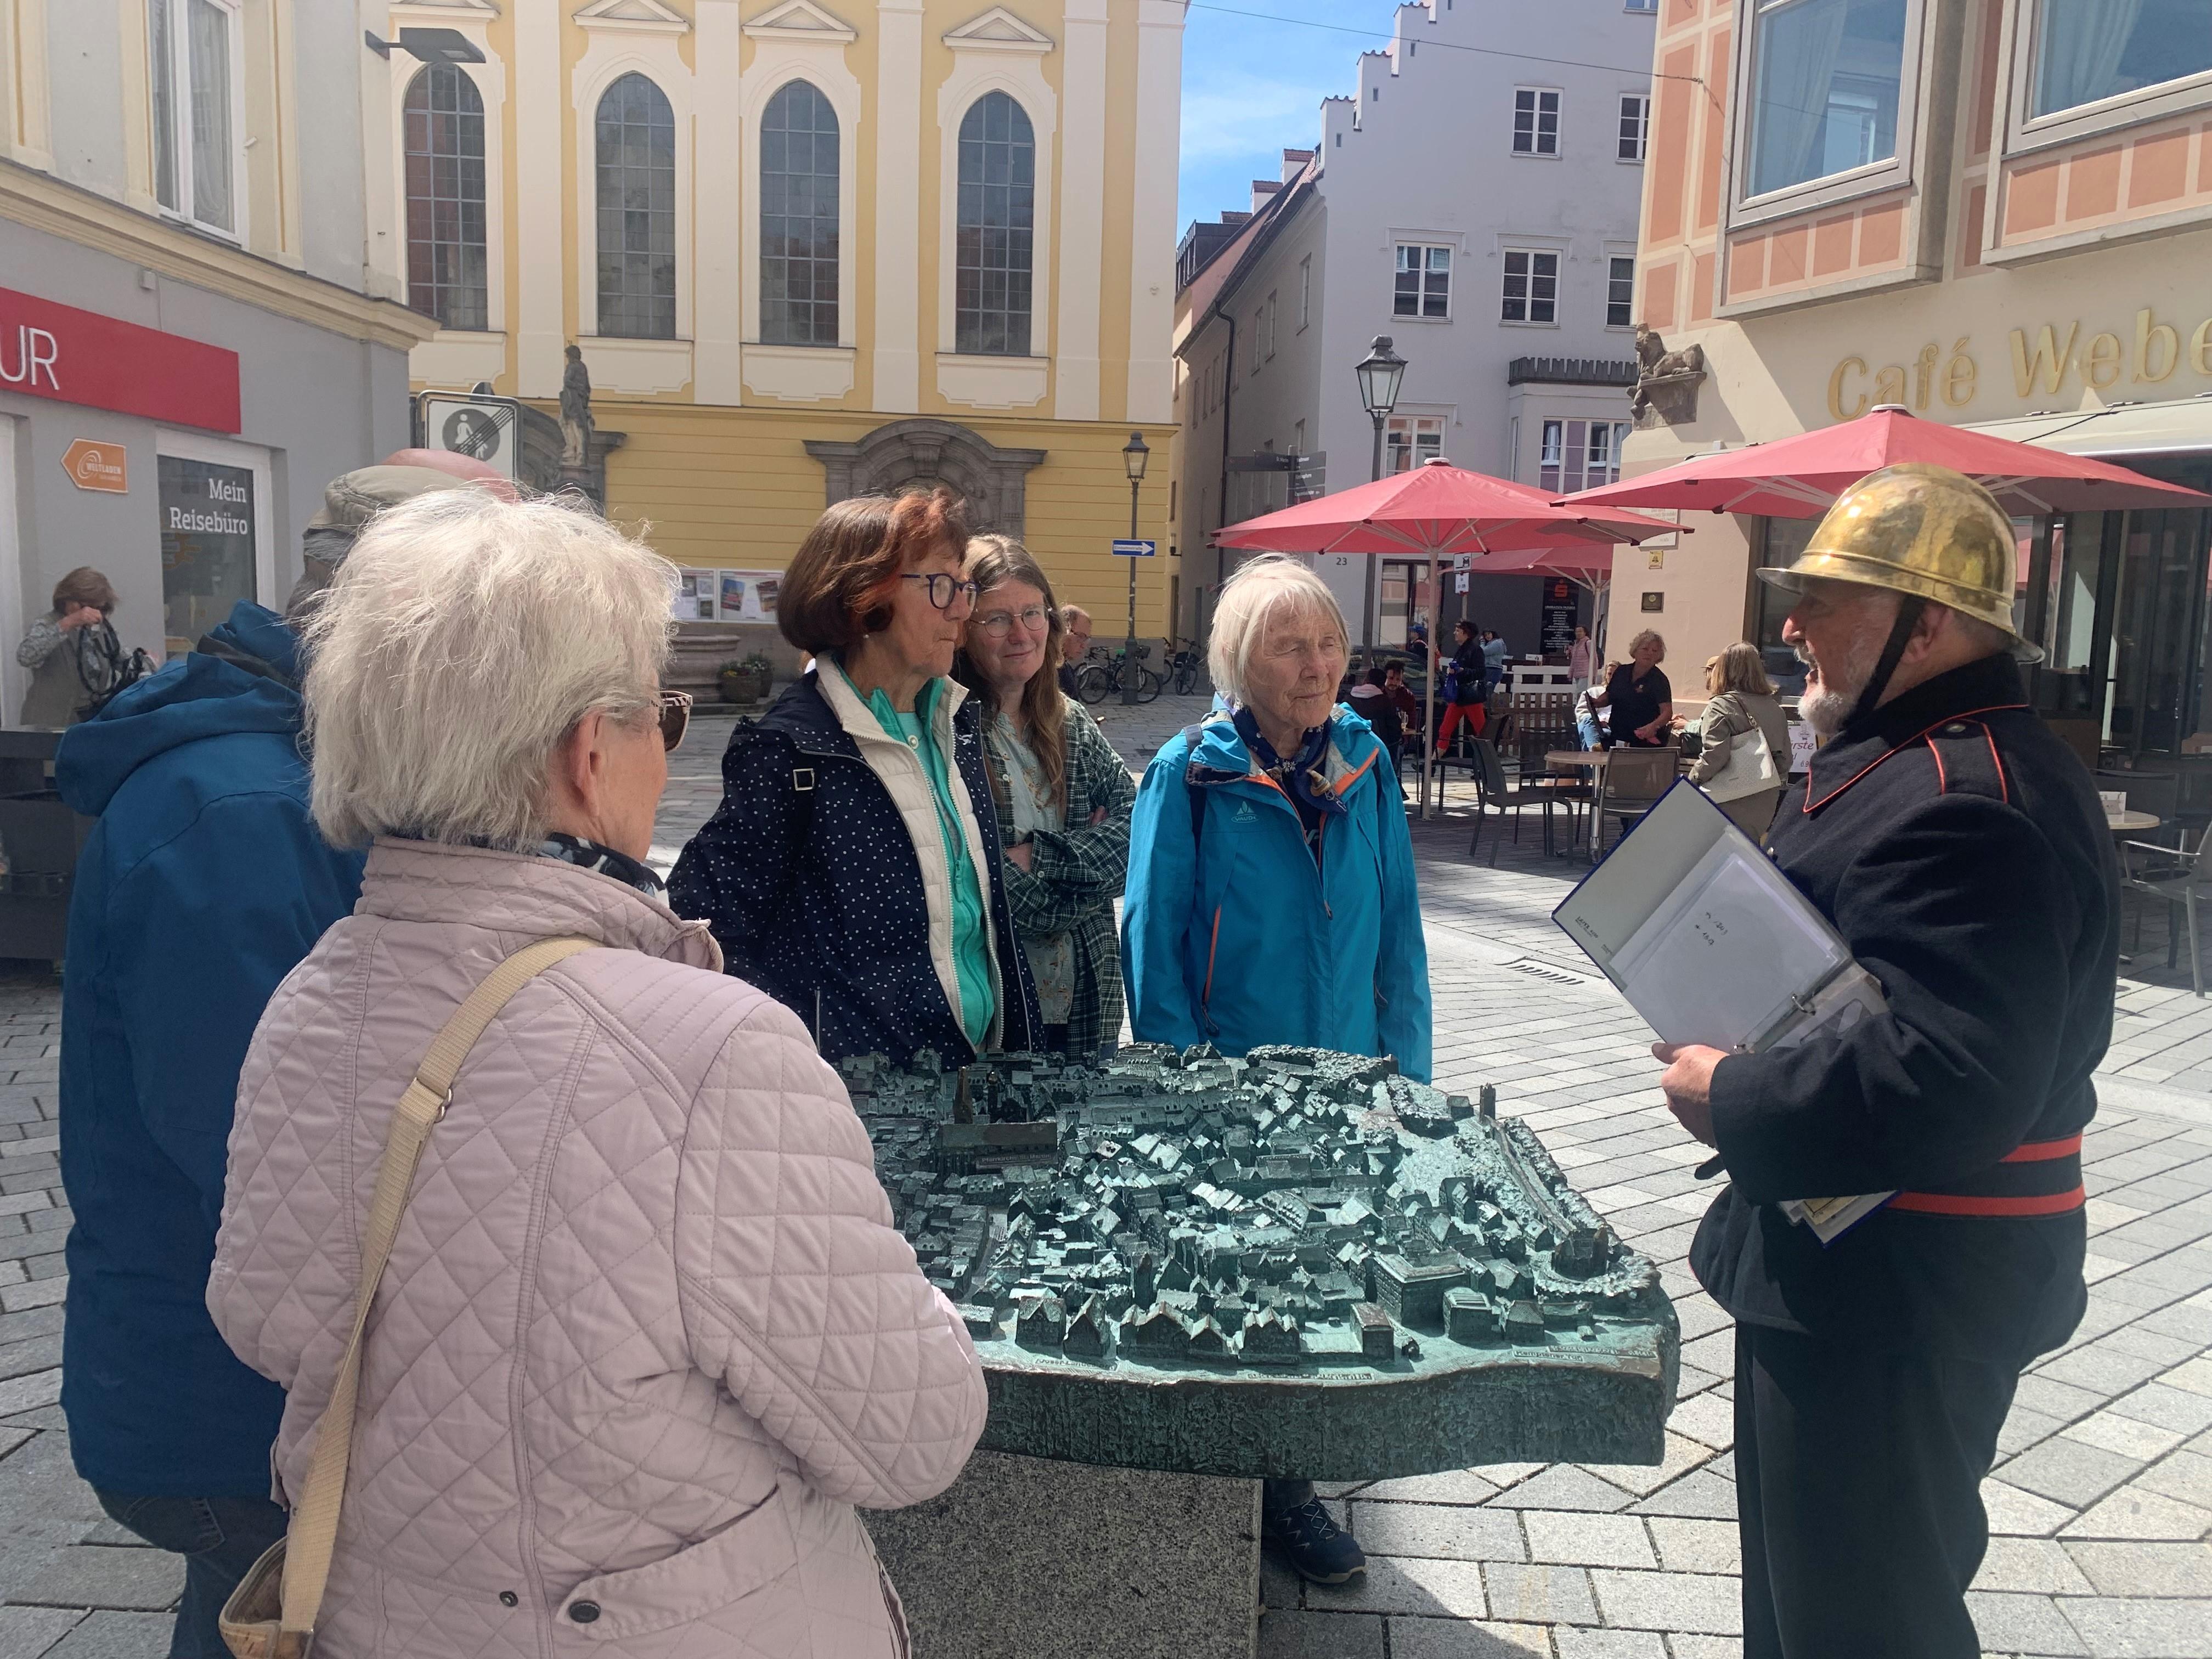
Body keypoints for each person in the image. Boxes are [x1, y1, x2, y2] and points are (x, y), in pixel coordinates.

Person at [207, 488, 985, 1658]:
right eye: (659, 717)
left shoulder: (311, 995)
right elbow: (914, 1434)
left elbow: (260, 1315)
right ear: (587, 751)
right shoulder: (709, 1050)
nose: (664, 745)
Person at [1651, 465, 2119, 1659]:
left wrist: (1733, 1094)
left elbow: (1947, 1073)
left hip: (1904, 1285)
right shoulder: (1919, 759)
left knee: (1864, 1625)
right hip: (1852, 1263)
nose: (1793, 625)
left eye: (1832, 599)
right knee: (1809, 1615)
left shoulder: (1967, 795)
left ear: (1936, 627)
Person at [53, 456, 503, 1659]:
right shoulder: (246, 815)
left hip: (257, 1396)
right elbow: (295, 1179)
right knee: (281, 1609)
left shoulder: (317, 771)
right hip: (235, 1411)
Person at [1123, 554, 1431, 1587]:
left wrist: (1409, 1073)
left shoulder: (1365, 759)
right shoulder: (1190, 771)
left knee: (1326, 1261)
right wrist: (1180, 1076)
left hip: (1345, 1066)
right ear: (1239, 660)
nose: (1316, 664)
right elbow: (1152, 937)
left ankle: (1285, 1463)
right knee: (1247, 1263)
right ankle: (1277, 1486)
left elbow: (1398, 928)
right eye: (1289, 646)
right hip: (1233, 1075)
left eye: (1327, 643)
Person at [669, 489, 1039, 1063]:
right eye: (942, 585)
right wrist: (804, 1062)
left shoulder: (956, 723)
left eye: (964, 588)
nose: (962, 610)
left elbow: (981, 921)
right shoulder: (791, 749)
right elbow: (709, 934)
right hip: (864, 1106)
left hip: (977, 1074)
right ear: (864, 598)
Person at [956, 534, 1136, 1060]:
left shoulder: (1070, 721)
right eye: (996, 619)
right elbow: (981, 883)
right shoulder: (950, 730)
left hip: (1087, 1002)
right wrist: (1085, 873)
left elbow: (1137, 830)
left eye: (1033, 613)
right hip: (995, 1006)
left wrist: (1038, 856)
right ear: (963, 630)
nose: (1021, 634)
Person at [1687, 642, 1792, 839]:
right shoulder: (1775, 708)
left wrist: (1692, 780)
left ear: (1724, 670)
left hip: (1727, 798)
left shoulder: (1721, 706)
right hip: (1764, 800)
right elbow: (1786, 758)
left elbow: (1714, 757)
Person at [19, 567, 122, 727]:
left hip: (86, 724)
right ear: (68, 600)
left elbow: (119, 656)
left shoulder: (101, 630)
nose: (93, 613)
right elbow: (26, 656)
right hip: (47, 725)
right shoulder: (47, 624)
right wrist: (68, 623)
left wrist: (144, 662)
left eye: (99, 608)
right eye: (87, 606)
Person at [1589, 629, 1674, 746]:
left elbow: (1667, 712)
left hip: (1643, 741)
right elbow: (1610, 695)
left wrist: (1653, 726)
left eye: (1655, 651)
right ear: (1635, 651)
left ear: (1659, 656)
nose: (1650, 653)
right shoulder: (1621, 672)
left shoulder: (1659, 680)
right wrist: (1597, 702)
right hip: (1617, 736)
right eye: (1645, 649)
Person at [1433, 619, 1488, 754]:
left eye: (1458, 631)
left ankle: (1486, 762)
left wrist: (1463, 671)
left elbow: (1481, 672)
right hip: (1459, 696)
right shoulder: (1462, 650)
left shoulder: (1475, 650)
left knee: (1481, 730)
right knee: (1445, 729)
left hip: (1471, 697)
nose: (1455, 633)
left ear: (1466, 633)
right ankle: (1433, 762)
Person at [1057, 602, 1095, 695]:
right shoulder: (1047, 670)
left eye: (1086, 638)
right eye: (1080, 637)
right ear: (1063, 631)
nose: (1084, 645)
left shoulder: (1066, 668)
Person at [1480, 627, 1508, 692]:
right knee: (1488, 690)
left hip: (1492, 669)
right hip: (1493, 669)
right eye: (1486, 635)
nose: (1487, 636)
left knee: (1488, 690)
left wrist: (1482, 642)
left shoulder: (1497, 643)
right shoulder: (1496, 643)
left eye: (1489, 634)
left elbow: (1483, 652)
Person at [1568, 625, 1594, 692]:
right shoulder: (1576, 645)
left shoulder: (1588, 643)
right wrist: (1570, 674)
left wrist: (1594, 674)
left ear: (1585, 633)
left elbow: (1594, 659)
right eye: (1577, 632)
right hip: (1577, 673)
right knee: (1579, 693)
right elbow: (1573, 661)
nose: (1578, 633)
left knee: (1581, 692)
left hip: (1586, 673)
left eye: (1580, 631)